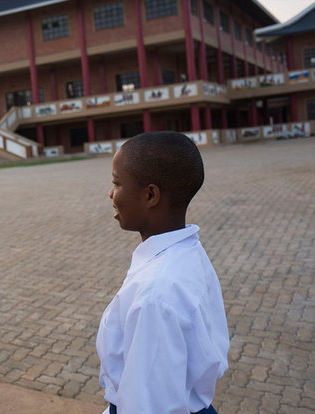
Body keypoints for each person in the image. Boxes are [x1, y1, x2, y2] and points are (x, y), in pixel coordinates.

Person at [96, 131, 230, 414]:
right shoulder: (187, 252)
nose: (110, 193)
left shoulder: (156, 296)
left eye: (117, 183)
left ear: (150, 195)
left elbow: (149, 405)